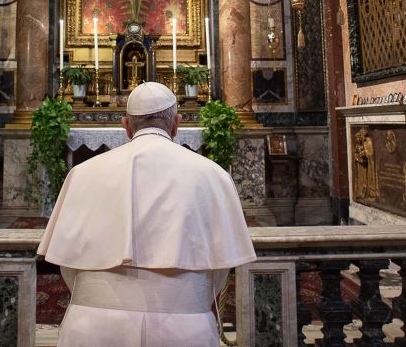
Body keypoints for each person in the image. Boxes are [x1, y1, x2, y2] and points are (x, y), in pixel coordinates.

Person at [38, 82, 255, 346]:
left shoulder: (82, 174)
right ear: (176, 124)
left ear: (126, 126)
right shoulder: (213, 175)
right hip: (184, 326)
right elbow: (221, 269)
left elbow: (68, 267)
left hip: (92, 326)